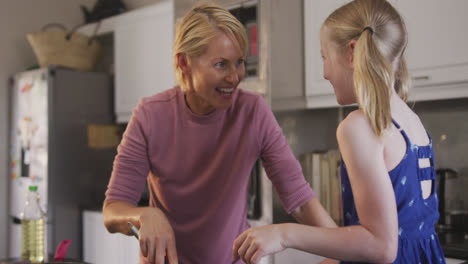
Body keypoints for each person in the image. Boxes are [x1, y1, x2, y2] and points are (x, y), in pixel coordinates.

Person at [102, 2, 336, 264]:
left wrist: (342, 253)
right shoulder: (149, 116)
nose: (235, 76)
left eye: (239, 62)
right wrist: (145, 215)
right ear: (184, 63)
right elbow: (113, 211)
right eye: (221, 64)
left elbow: (300, 201)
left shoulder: (253, 113)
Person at [233, 0, 446, 263]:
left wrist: (283, 233)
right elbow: (399, 238)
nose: (324, 73)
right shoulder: (411, 121)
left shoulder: (358, 126)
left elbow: (381, 246)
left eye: (324, 57)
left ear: (352, 52)